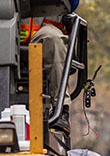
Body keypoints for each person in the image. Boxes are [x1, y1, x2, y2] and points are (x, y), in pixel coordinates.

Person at [20, 0, 79, 133]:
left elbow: (73, 3)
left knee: (53, 39)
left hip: (43, 38)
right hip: (5, 35)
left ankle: (61, 111)